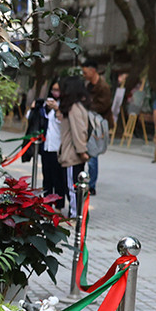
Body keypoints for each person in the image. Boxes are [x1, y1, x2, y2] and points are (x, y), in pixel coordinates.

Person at [57, 76, 91, 216]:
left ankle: (76, 213)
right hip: (73, 154)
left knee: (73, 186)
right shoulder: (75, 108)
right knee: (73, 186)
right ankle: (76, 213)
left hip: (72, 154)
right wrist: (82, 151)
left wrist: (82, 151)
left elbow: (78, 131)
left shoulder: (74, 108)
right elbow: (78, 131)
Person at [28, 80, 63, 204]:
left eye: (58, 90)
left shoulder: (63, 106)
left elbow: (62, 122)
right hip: (46, 147)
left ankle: (58, 205)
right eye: (53, 90)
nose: (55, 93)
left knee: (58, 179)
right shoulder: (44, 106)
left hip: (57, 148)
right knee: (46, 178)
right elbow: (30, 117)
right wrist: (35, 107)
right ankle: (46, 204)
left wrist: (57, 109)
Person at [81, 61, 113, 194]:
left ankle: (92, 185)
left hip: (98, 126)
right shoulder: (88, 86)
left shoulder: (104, 87)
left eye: (85, 72)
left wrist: (85, 108)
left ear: (93, 70)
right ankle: (86, 181)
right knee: (87, 154)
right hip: (87, 123)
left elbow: (103, 105)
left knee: (93, 155)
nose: (84, 75)